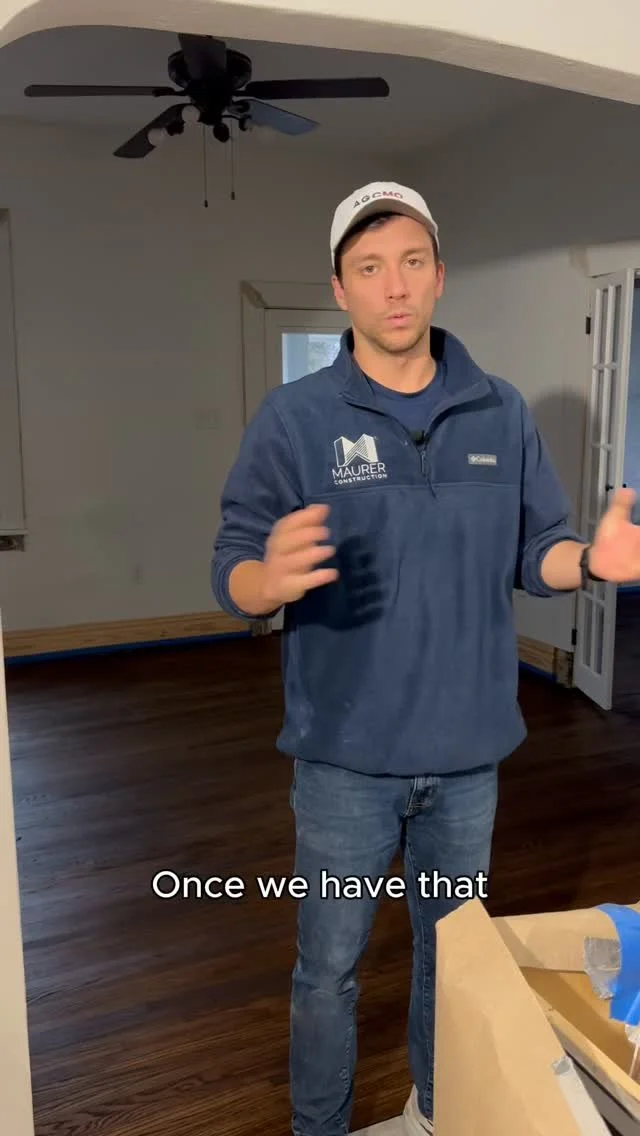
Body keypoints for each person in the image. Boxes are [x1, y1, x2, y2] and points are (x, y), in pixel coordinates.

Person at [211, 181, 640, 1136]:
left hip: (467, 761)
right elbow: (232, 563)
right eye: (369, 268)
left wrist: (589, 563)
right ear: (341, 289)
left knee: (456, 961)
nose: (394, 287)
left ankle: (443, 1114)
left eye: (411, 262)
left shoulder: (501, 410)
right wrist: (263, 583)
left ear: (440, 275)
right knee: (328, 970)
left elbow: (538, 550)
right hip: (344, 763)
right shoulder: (294, 418)